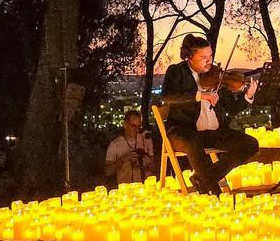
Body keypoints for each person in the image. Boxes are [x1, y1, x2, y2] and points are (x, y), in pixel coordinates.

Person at [159, 35, 260, 194]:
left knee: (250, 144)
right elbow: (167, 96)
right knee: (194, 143)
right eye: (203, 57)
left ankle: (205, 178)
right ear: (190, 57)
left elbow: (231, 107)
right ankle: (213, 192)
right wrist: (198, 95)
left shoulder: (215, 77)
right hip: (183, 131)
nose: (209, 61)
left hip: (212, 133)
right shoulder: (177, 71)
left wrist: (247, 96)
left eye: (210, 56)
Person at [105, 110, 155, 186]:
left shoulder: (145, 140)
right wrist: (123, 159)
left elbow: (153, 166)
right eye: (133, 126)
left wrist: (147, 164)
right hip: (126, 190)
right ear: (125, 125)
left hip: (144, 188)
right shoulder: (115, 145)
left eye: (139, 127)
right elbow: (108, 171)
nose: (137, 130)